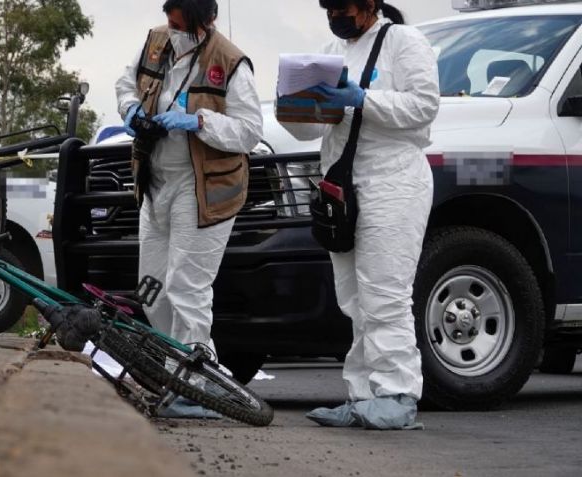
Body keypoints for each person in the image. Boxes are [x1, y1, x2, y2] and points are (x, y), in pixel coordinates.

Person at [279, 0, 440, 430]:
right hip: (345, 185)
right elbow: (319, 127)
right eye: (328, 7)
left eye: (341, 6)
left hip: (394, 180)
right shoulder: (331, 51)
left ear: (369, 4)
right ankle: (363, 394)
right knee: (355, 297)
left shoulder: (403, 41)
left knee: (384, 292)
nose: (334, 14)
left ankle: (397, 394)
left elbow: (424, 106)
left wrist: (362, 98)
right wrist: (294, 109)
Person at [116, 0, 263, 416]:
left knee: (187, 287)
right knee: (152, 286)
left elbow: (249, 131)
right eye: (170, 21)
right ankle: (177, 371)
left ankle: (199, 384)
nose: (173, 29)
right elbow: (125, 84)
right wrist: (129, 108)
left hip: (203, 187)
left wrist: (199, 121)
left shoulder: (230, 62)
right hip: (156, 180)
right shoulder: (155, 43)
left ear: (207, 21)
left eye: (182, 25)